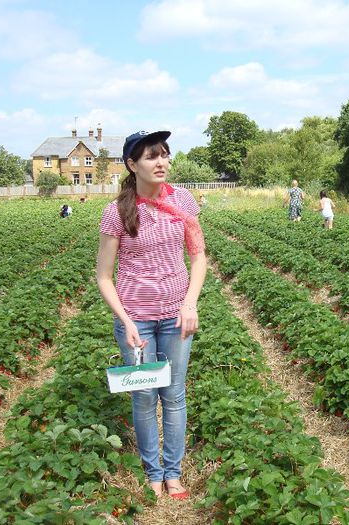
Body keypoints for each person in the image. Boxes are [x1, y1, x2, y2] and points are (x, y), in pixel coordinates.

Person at [96, 130, 207, 500]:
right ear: (132, 165)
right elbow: (104, 276)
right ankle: (152, 473)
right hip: (137, 321)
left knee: (173, 394)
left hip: (177, 317)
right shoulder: (118, 211)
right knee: (144, 396)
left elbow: (198, 256)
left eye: (164, 154)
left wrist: (189, 303)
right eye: (150, 156)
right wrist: (126, 321)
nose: (161, 162)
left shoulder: (184, 201)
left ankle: (173, 473)